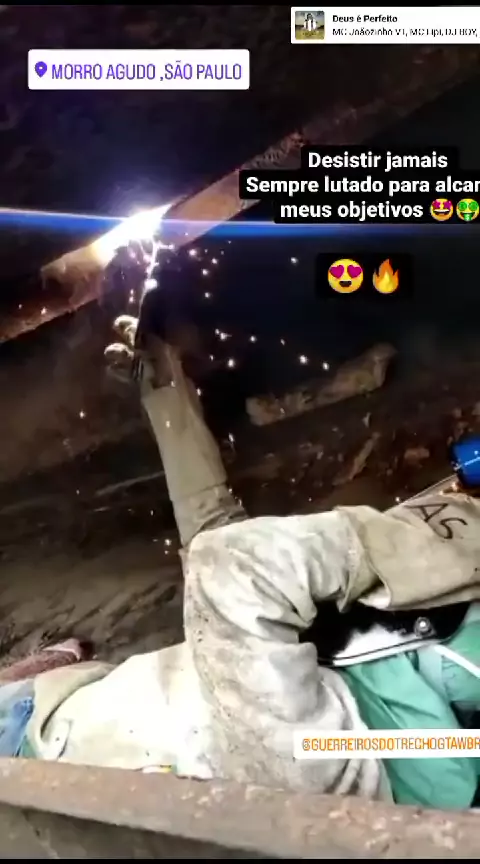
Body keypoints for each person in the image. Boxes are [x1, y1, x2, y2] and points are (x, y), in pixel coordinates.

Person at [4, 284, 480, 810]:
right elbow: (221, 551)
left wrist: (452, 538)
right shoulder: (359, 754)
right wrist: (167, 399)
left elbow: (229, 562)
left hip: (36, 732)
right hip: (66, 721)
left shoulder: (312, 756)